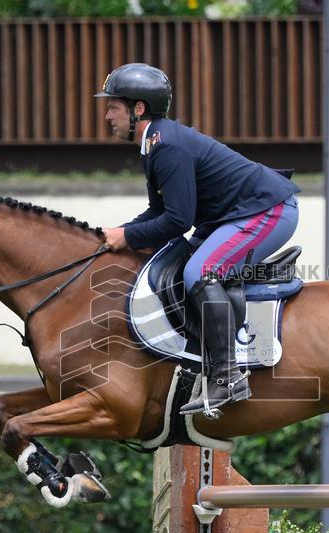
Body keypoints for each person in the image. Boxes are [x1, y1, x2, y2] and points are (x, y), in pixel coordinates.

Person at [96, 63, 300, 416]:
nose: (107, 115)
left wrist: (127, 235)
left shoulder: (167, 146)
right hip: (234, 216)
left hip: (267, 212)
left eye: (113, 107)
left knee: (200, 273)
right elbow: (157, 213)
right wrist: (116, 234)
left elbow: (177, 220)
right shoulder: (155, 142)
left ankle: (228, 376)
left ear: (138, 109)